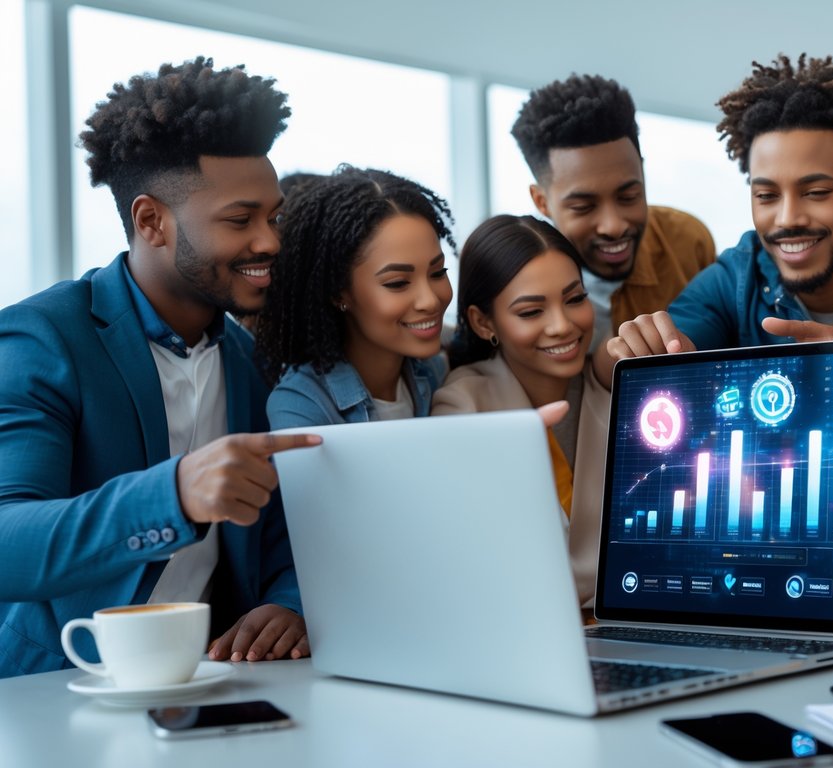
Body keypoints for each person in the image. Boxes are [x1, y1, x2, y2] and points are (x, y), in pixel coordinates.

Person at [0, 57, 320, 677]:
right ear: (152, 221)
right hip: (51, 687)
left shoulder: (253, 362)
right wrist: (174, 494)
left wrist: (288, 603)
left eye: (273, 216)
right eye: (240, 220)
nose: (272, 241)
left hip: (208, 679)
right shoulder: (42, 339)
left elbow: (283, 530)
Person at [606, 54, 833, 376]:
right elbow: (646, 357)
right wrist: (639, 350)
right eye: (766, 195)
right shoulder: (733, 282)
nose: (788, 218)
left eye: (816, 193)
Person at [431, 215, 608, 606]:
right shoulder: (464, 406)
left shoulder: (611, 387)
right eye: (531, 312)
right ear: (482, 322)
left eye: (575, 299)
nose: (562, 326)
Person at [512, 74, 716, 349]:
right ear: (542, 201)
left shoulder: (687, 242)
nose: (614, 226)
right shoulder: (513, 276)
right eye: (583, 207)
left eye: (629, 196)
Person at [257, 166, 454, 428]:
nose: (429, 300)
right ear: (338, 292)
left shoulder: (435, 373)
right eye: (398, 283)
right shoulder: (301, 408)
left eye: (438, 272)